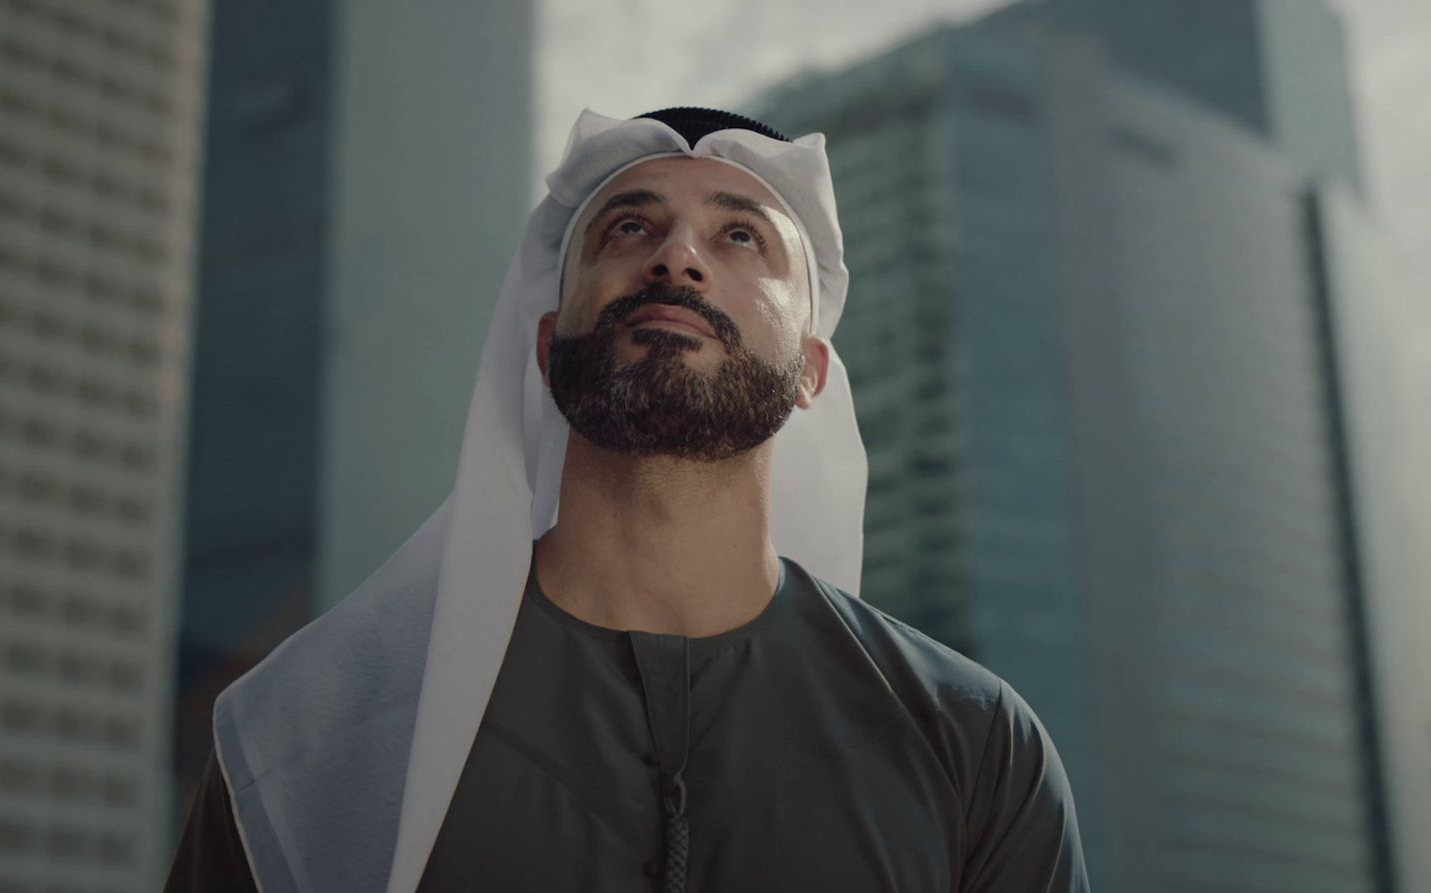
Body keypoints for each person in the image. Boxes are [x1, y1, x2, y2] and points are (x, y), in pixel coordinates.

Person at [164, 107, 1090, 893]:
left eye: (740, 236)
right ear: (544, 345)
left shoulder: (975, 747)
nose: (677, 257)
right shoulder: (312, 736)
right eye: (628, 228)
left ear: (811, 372)